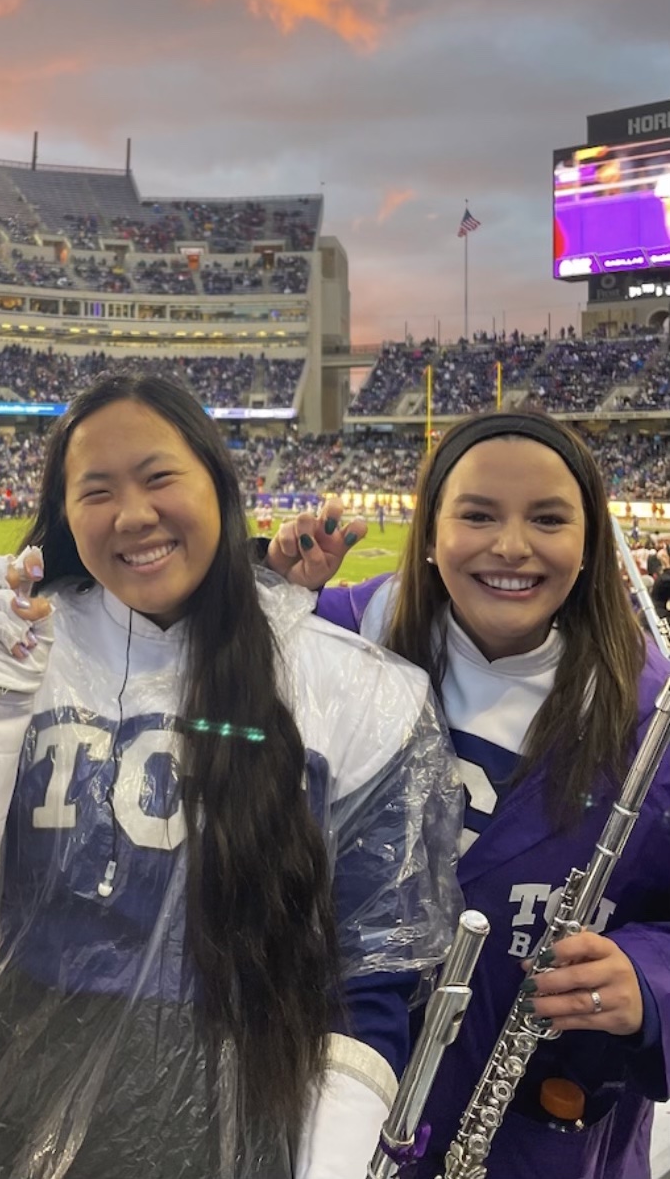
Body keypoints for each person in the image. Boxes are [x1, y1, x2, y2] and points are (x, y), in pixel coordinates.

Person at [0, 372, 462, 1178]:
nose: (133, 514)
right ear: (64, 513)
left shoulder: (353, 692)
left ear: (221, 488)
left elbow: (372, 970)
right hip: (6, 1097)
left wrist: (331, 1159)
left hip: (249, 1114)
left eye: (159, 478)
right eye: (97, 491)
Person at [269, 411, 670, 1179]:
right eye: (478, 515)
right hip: (326, 1103)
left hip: (533, 1137)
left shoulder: (652, 717)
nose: (511, 545)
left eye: (548, 519)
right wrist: (271, 604)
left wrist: (645, 982)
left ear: (589, 545)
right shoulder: (345, 635)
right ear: (429, 532)